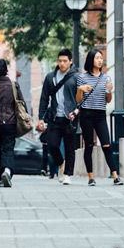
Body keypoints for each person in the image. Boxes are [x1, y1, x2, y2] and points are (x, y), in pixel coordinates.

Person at [74, 49, 124, 186]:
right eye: (97, 58)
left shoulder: (106, 77)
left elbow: (108, 100)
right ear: (91, 60)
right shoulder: (82, 78)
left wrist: (109, 90)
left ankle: (115, 176)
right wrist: (80, 89)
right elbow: (78, 100)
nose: (100, 60)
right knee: (89, 145)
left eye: (101, 58)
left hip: (100, 114)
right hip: (86, 114)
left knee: (107, 145)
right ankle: (91, 177)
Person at [36, 49, 78, 185]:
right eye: (60, 61)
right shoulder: (50, 77)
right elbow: (44, 98)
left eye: (65, 61)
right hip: (54, 117)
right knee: (52, 145)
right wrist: (41, 117)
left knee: (69, 146)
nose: (62, 63)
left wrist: (76, 112)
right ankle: (61, 163)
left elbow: (81, 99)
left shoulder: (76, 77)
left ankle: (68, 174)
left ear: (70, 61)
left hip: (70, 117)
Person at [0, 59, 23, 188]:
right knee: (8, 148)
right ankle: (7, 170)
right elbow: (21, 103)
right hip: (10, 122)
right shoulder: (13, 85)